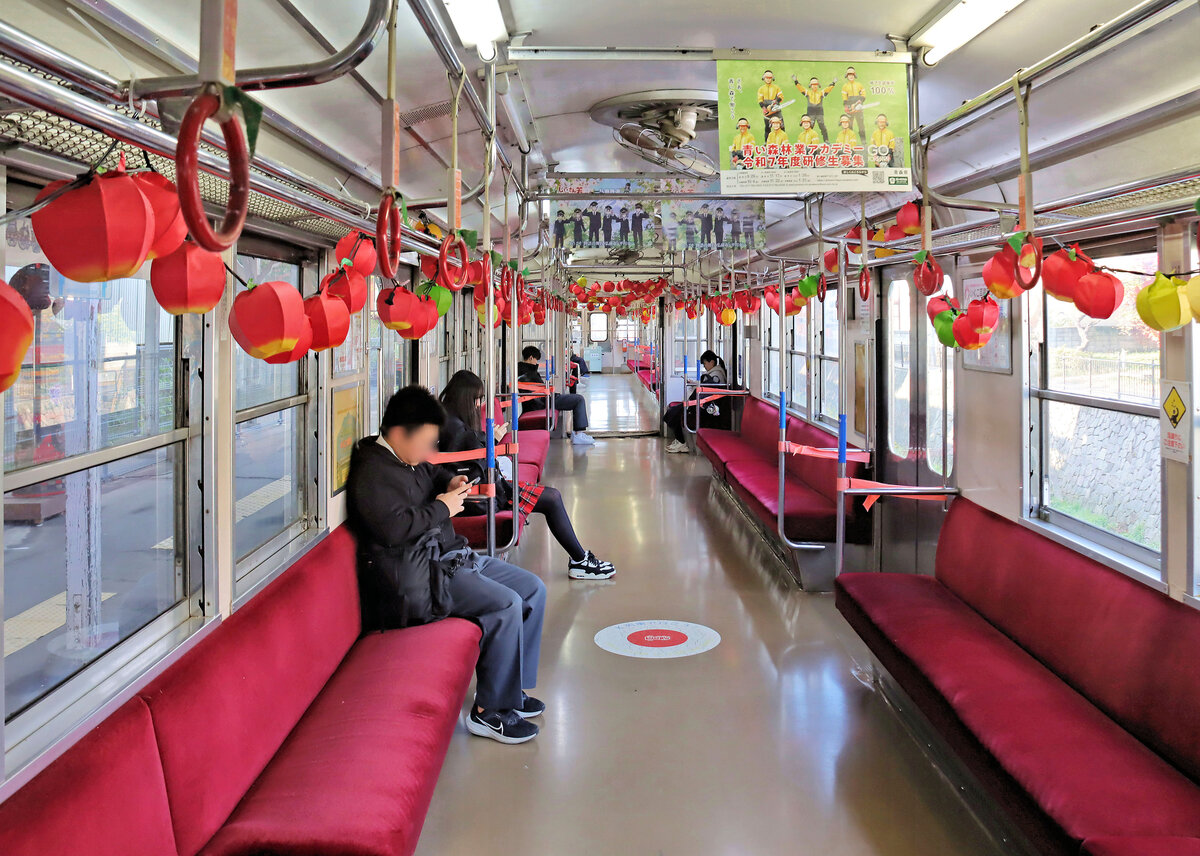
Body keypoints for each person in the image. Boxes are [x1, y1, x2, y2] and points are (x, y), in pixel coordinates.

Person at [347, 386, 546, 744]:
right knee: (505, 605)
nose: (428, 451)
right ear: (399, 433)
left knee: (533, 589)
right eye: (425, 442)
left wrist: (451, 481)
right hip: (423, 575)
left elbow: (431, 473)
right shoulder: (373, 472)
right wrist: (442, 508)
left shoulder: (406, 458)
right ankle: (490, 712)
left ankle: (511, 689)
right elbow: (393, 529)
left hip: (451, 556)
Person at [439, 371, 615, 580]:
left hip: (485, 488)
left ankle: (580, 559)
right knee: (552, 498)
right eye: (477, 399)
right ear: (467, 398)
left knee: (551, 497)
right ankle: (580, 561)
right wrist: (493, 440)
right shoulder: (458, 430)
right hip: (481, 498)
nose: (478, 405)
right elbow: (478, 463)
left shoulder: (449, 421)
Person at [518, 345, 595, 445]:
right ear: (531, 358)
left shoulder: (523, 370)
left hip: (542, 399)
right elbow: (538, 390)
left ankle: (578, 433)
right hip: (543, 401)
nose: (536, 363)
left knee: (576, 399)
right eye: (536, 360)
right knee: (579, 399)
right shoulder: (529, 372)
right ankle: (578, 434)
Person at [664, 351, 729, 453]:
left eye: (705, 364)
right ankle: (680, 439)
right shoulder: (714, 374)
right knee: (673, 411)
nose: (704, 366)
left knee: (674, 412)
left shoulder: (716, 376)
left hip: (704, 405)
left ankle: (682, 441)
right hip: (700, 402)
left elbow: (707, 390)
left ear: (711, 362)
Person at [793, 74, 835, 142]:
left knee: (822, 126)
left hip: (819, 112)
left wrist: (833, 83)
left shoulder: (821, 93)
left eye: (816, 84)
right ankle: (808, 141)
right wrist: (796, 81)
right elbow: (801, 88)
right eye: (813, 84)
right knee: (809, 126)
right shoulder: (808, 93)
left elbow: (828, 89)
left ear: (818, 85)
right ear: (810, 85)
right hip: (811, 112)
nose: (814, 86)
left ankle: (826, 141)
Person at [757, 69, 784, 140]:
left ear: (772, 78)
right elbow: (760, 100)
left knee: (781, 126)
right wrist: (764, 108)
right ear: (763, 78)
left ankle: (783, 142)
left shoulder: (776, 87)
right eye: (767, 78)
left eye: (770, 78)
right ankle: (767, 143)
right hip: (767, 110)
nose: (768, 79)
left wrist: (775, 101)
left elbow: (781, 97)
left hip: (776, 108)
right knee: (767, 127)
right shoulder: (761, 89)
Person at [841, 66, 867, 141]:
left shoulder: (859, 85)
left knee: (861, 124)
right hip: (850, 105)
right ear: (847, 76)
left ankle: (863, 141)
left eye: (852, 74)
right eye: (849, 75)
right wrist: (847, 107)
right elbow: (844, 98)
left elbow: (863, 94)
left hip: (858, 105)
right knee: (849, 124)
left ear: (854, 75)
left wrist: (860, 101)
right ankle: (850, 141)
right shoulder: (845, 86)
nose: (851, 76)